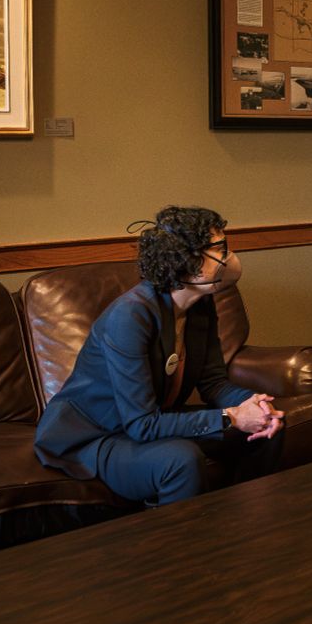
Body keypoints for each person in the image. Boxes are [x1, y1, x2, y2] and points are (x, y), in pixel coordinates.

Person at [35, 206, 285, 506]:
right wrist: (231, 417)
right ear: (187, 259)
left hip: (147, 422)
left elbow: (214, 383)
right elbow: (142, 424)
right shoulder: (130, 315)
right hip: (96, 436)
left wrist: (254, 405)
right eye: (220, 248)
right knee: (180, 459)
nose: (229, 257)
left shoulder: (200, 304)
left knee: (264, 430)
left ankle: (245, 526)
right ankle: (179, 549)